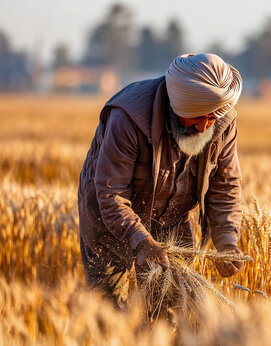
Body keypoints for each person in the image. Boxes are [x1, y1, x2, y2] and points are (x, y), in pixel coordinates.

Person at [78, 53, 245, 307]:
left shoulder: (222, 123)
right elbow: (112, 194)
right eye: (197, 117)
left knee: (169, 312)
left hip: (171, 217)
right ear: (178, 104)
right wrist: (141, 241)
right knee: (109, 313)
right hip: (109, 221)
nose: (203, 128)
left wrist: (227, 242)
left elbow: (225, 188)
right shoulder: (128, 118)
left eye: (211, 118)